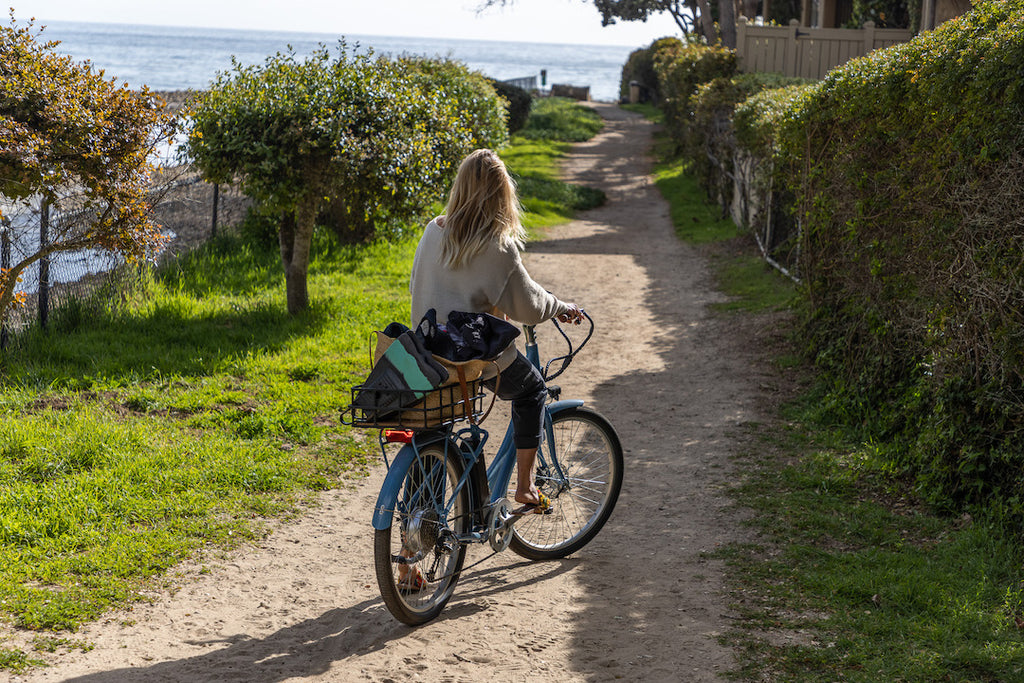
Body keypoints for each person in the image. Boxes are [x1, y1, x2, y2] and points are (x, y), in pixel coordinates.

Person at [402, 149, 581, 589]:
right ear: (502, 195)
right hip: (468, 358)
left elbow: (420, 286)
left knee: (432, 436)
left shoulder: (433, 230)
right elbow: (531, 305)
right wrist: (563, 307)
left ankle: (408, 563)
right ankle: (524, 486)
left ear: (460, 187)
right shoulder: (497, 247)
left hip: (423, 355)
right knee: (532, 390)